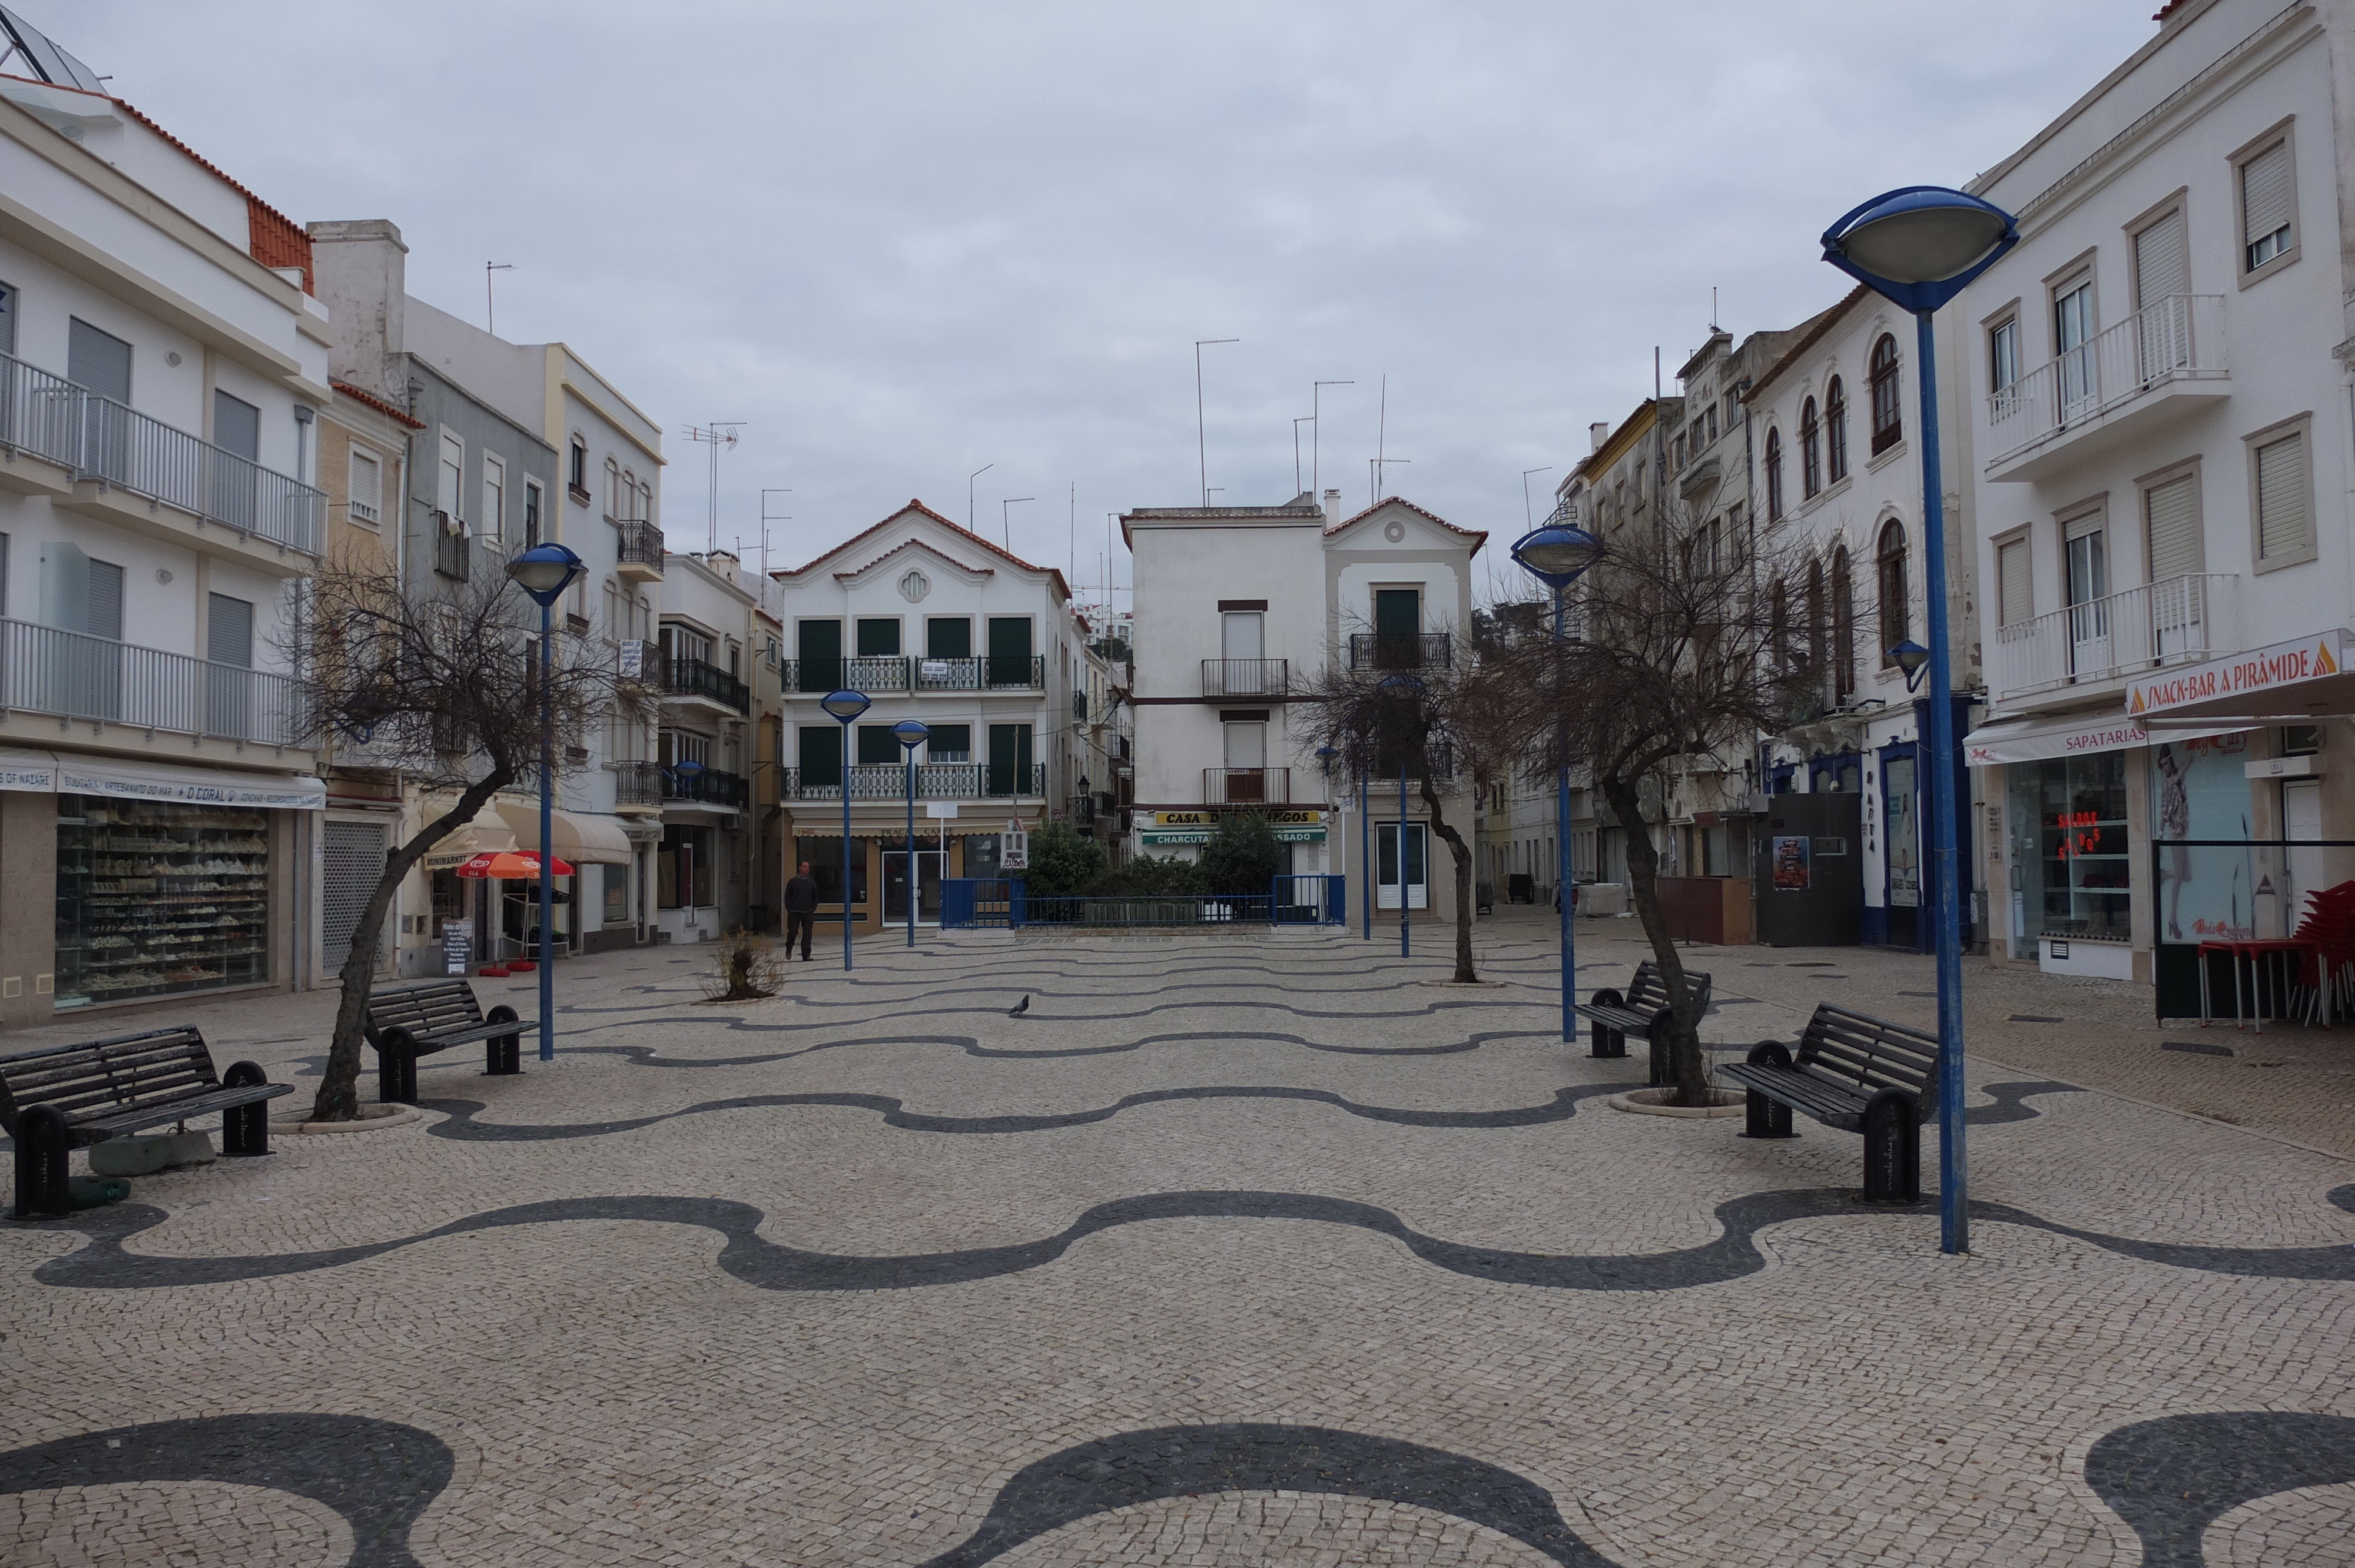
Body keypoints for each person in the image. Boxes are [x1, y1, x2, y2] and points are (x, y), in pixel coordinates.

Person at [783, 860, 820, 960]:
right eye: (804, 866)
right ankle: (789, 949)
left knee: (808, 934)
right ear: (800, 868)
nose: (806, 869)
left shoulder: (811, 883)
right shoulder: (793, 882)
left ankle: (806, 955)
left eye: (808, 867)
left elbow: (816, 896)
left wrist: (813, 909)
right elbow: (787, 896)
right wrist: (790, 909)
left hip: (808, 913)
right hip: (794, 913)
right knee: (793, 933)